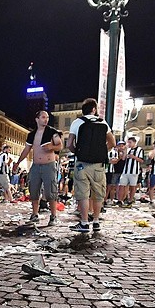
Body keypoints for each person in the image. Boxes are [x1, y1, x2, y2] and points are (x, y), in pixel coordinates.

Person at [67, 98, 115, 233]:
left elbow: (69, 144)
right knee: (98, 193)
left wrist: (78, 152)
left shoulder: (77, 122)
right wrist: (101, 151)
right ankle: (96, 221)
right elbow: (112, 143)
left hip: (82, 163)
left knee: (83, 193)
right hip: (98, 164)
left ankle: (84, 222)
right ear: (94, 109)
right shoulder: (103, 122)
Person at [13, 110, 63, 225]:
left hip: (49, 165)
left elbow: (60, 145)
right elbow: (26, 150)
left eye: (47, 117)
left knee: (51, 191)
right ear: (37, 119)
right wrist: (18, 162)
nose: (46, 119)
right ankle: (35, 214)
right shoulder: (32, 134)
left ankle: (53, 216)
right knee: (34, 190)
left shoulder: (52, 132)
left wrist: (51, 147)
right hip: (36, 165)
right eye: (43, 117)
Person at [117, 137, 145, 207]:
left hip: (134, 171)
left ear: (134, 142)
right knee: (121, 185)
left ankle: (130, 200)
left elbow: (141, 160)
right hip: (125, 171)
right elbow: (123, 159)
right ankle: (120, 200)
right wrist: (125, 152)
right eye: (128, 142)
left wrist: (134, 157)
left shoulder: (139, 149)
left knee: (132, 186)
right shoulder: (128, 149)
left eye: (130, 142)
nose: (129, 144)